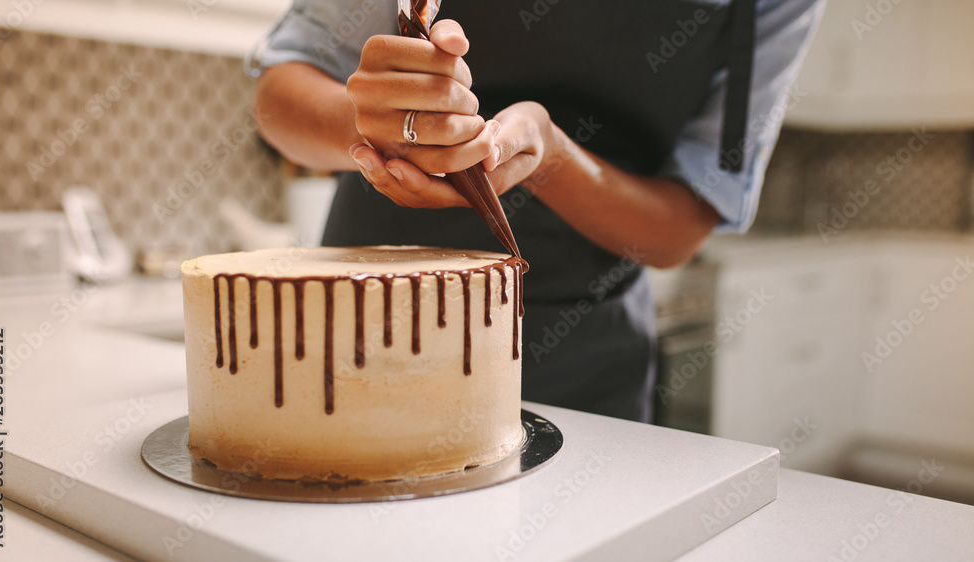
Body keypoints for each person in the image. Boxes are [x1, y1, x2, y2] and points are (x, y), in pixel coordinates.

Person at [249, 0, 825, 422]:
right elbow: (278, 97)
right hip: (368, 335)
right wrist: (374, 123)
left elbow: (678, 231)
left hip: (588, 373)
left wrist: (550, 155)